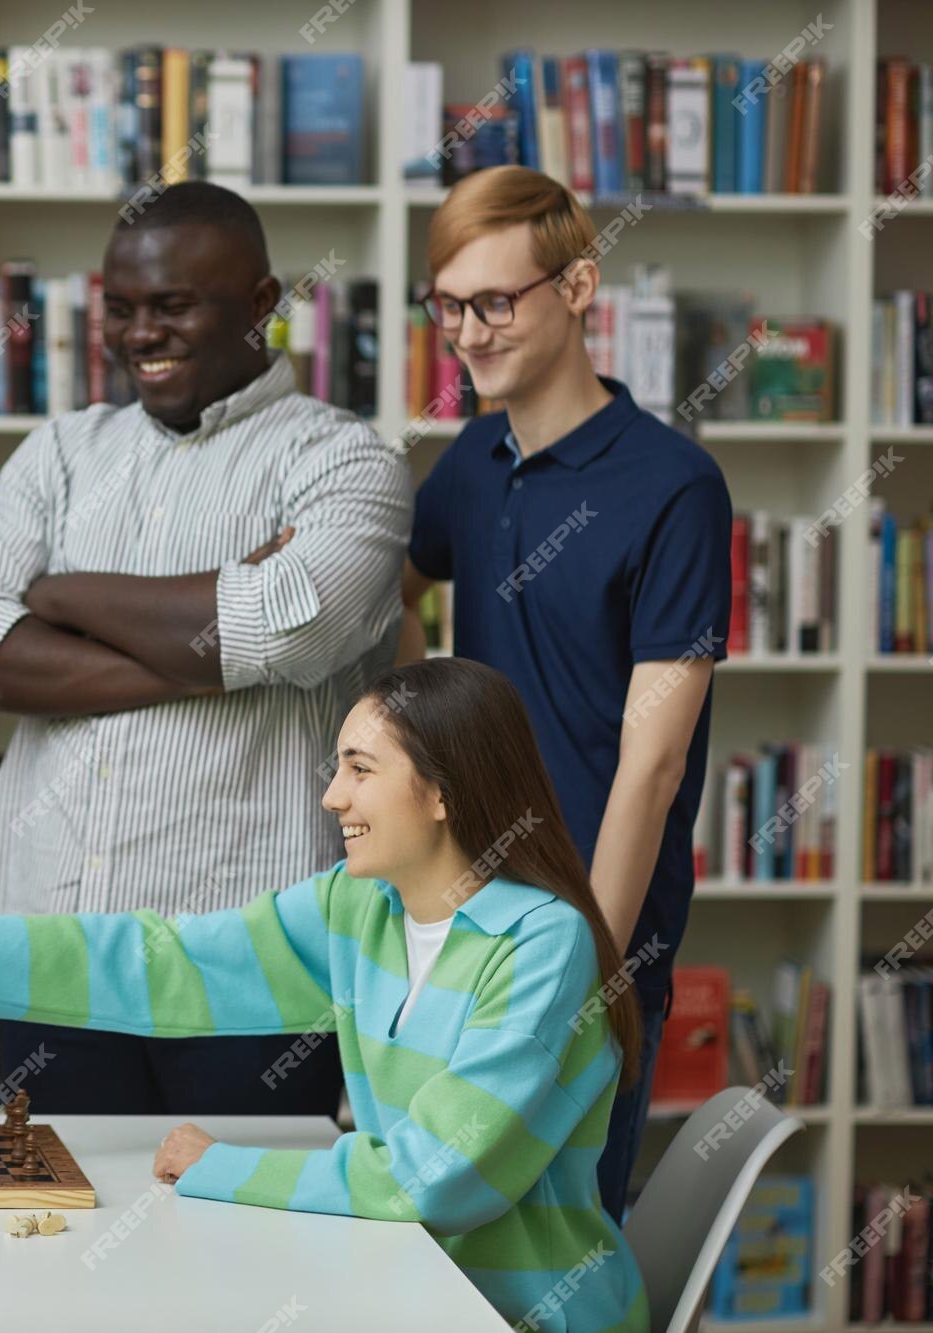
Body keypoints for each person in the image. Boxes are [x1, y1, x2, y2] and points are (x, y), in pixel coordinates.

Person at [0, 657, 649, 1333]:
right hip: (395, 1287)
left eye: (360, 770)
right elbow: (171, 962)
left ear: (444, 791)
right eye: (338, 766)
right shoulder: (357, 906)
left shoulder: (542, 946)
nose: (333, 796)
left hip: (517, 1316)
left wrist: (219, 1165)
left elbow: (432, 1178)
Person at [0, 180, 411, 1117]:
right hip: (51, 943)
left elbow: (286, 625)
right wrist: (209, 644)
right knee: (60, 1231)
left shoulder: (347, 460)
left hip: (253, 957)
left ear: (263, 305)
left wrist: (56, 599)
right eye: (121, 309)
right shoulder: (58, 453)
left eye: (174, 306)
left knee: (249, 1240)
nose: (140, 334)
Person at [398, 165, 732, 1222]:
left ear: (578, 287)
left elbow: (654, 762)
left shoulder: (672, 484)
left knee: (557, 1254)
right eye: (446, 305)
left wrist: (578, 971)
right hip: (455, 921)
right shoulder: (470, 461)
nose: (465, 332)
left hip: (595, 933)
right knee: (436, 1241)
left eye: (493, 300)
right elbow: (397, 594)